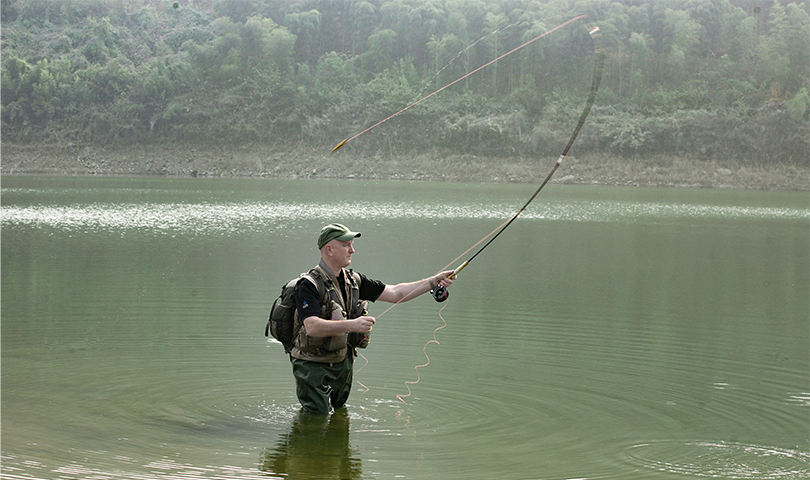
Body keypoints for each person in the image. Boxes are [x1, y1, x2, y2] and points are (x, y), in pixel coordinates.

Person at [290, 223, 455, 414]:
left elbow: (395, 292)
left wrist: (433, 281)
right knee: (315, 417)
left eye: (352, 244)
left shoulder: (355, 281)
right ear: (329, 249)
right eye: (346, 245)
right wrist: (353, 325)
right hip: (312, 366)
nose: (352, 250)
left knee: (339, 412)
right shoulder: (308, 285)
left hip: (343, 362)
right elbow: (311, 327)